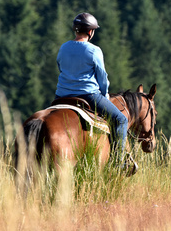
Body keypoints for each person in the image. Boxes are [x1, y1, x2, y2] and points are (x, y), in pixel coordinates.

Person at [55, 12, 128, 166]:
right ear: (90, 31)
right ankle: (119, 162)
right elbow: (102, 77)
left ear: (76, 29)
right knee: (121, 120)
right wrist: (105, 94)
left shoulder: (63, 47)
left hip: (61, 95)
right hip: (89, 95)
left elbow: (60, 67)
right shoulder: (94, 50)